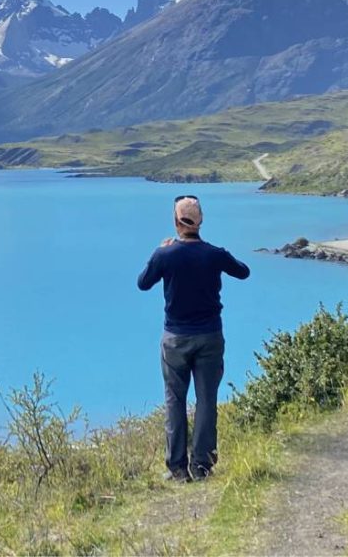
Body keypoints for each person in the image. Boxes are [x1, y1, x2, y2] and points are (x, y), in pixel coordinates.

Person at [137, 195, 250, 482]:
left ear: (176, 222)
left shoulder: (165, 255)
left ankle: (177, 468)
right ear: (201, 222)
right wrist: (219, 255)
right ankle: (202, 465)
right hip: (210, 336)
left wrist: (159, 251)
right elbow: (243, 272)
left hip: (175, 338)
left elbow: (143, 283)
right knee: (206, 399)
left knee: (175, 400)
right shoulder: (214, 254)